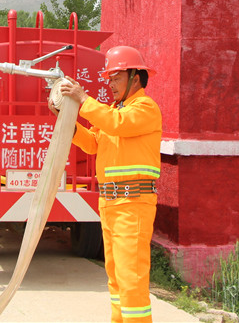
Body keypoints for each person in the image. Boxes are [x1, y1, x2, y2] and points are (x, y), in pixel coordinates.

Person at [50, 46, 162, 323]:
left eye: (116, 78)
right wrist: (66, 118)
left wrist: (83, 99)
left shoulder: (145, 108)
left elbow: (117, 124)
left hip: (133, 205)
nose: (110, 84)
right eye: (109, 78)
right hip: (112, 204)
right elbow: (92, 143)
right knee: (115, 278)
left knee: (131, 279)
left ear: (136, 78)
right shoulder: (114, 111)